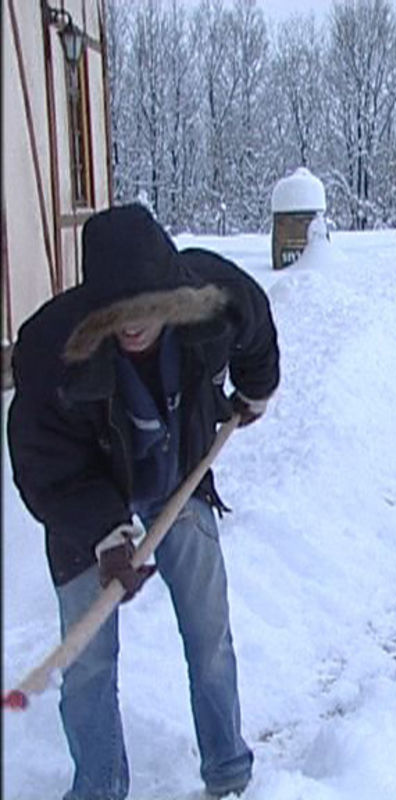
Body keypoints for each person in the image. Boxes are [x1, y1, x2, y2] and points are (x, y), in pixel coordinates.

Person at [6, 204, 280, 800]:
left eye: (146, 310)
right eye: (116, 315)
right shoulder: (55, 351)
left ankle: (229, 772)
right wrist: (105, 532)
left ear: (170, 295)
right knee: (87, 667)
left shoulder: (210, 298)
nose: (131, 326)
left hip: (179, 480)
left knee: (209, 634)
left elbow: (254, 320)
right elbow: (42, 462)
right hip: (87, 505)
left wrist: (256, 387)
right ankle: (99, 789)